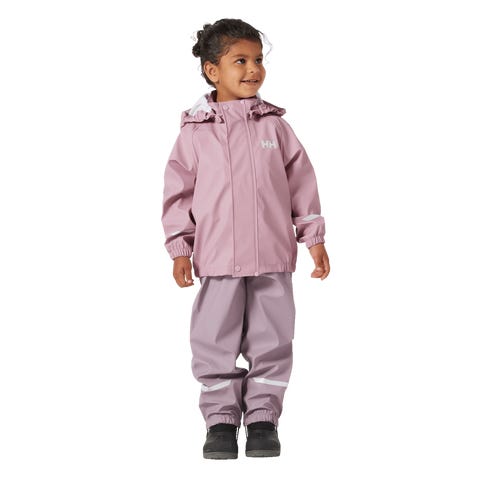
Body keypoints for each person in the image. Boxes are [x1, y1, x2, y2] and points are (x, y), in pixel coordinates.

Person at [161, 18, 330, 459]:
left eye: (258, 59)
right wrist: (180, 248)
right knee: (213, 340)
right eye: (241, 60)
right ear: (212, 70)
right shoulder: (195, 133)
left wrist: (313, 237)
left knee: (273, 339)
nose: (254, 69)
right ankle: (220, 421)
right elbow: (178, 194)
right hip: (218, 259)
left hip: (273, 256)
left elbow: (302, 183)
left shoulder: (275, 127)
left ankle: (262, 418)